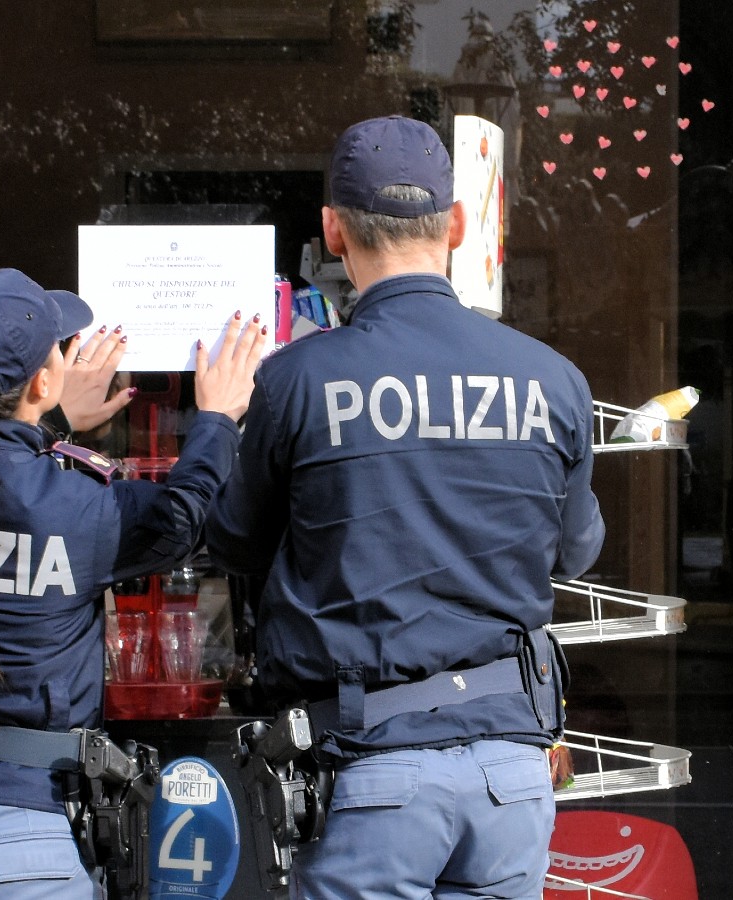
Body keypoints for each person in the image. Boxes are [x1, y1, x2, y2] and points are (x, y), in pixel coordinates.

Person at [205, 116, 606, 899]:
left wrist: (216, 426)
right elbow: (575, 551)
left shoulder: (297, 380)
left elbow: (236, 543)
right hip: (510, 774)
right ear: (456, 224)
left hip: (372, 770)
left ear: (332, 231)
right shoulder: (553, 379)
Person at [0, 267, 264, 898]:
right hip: (19, 840)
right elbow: (181, 519)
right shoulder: (76, 505)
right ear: (43, 380)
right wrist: (216, 419)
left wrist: (53, 422)